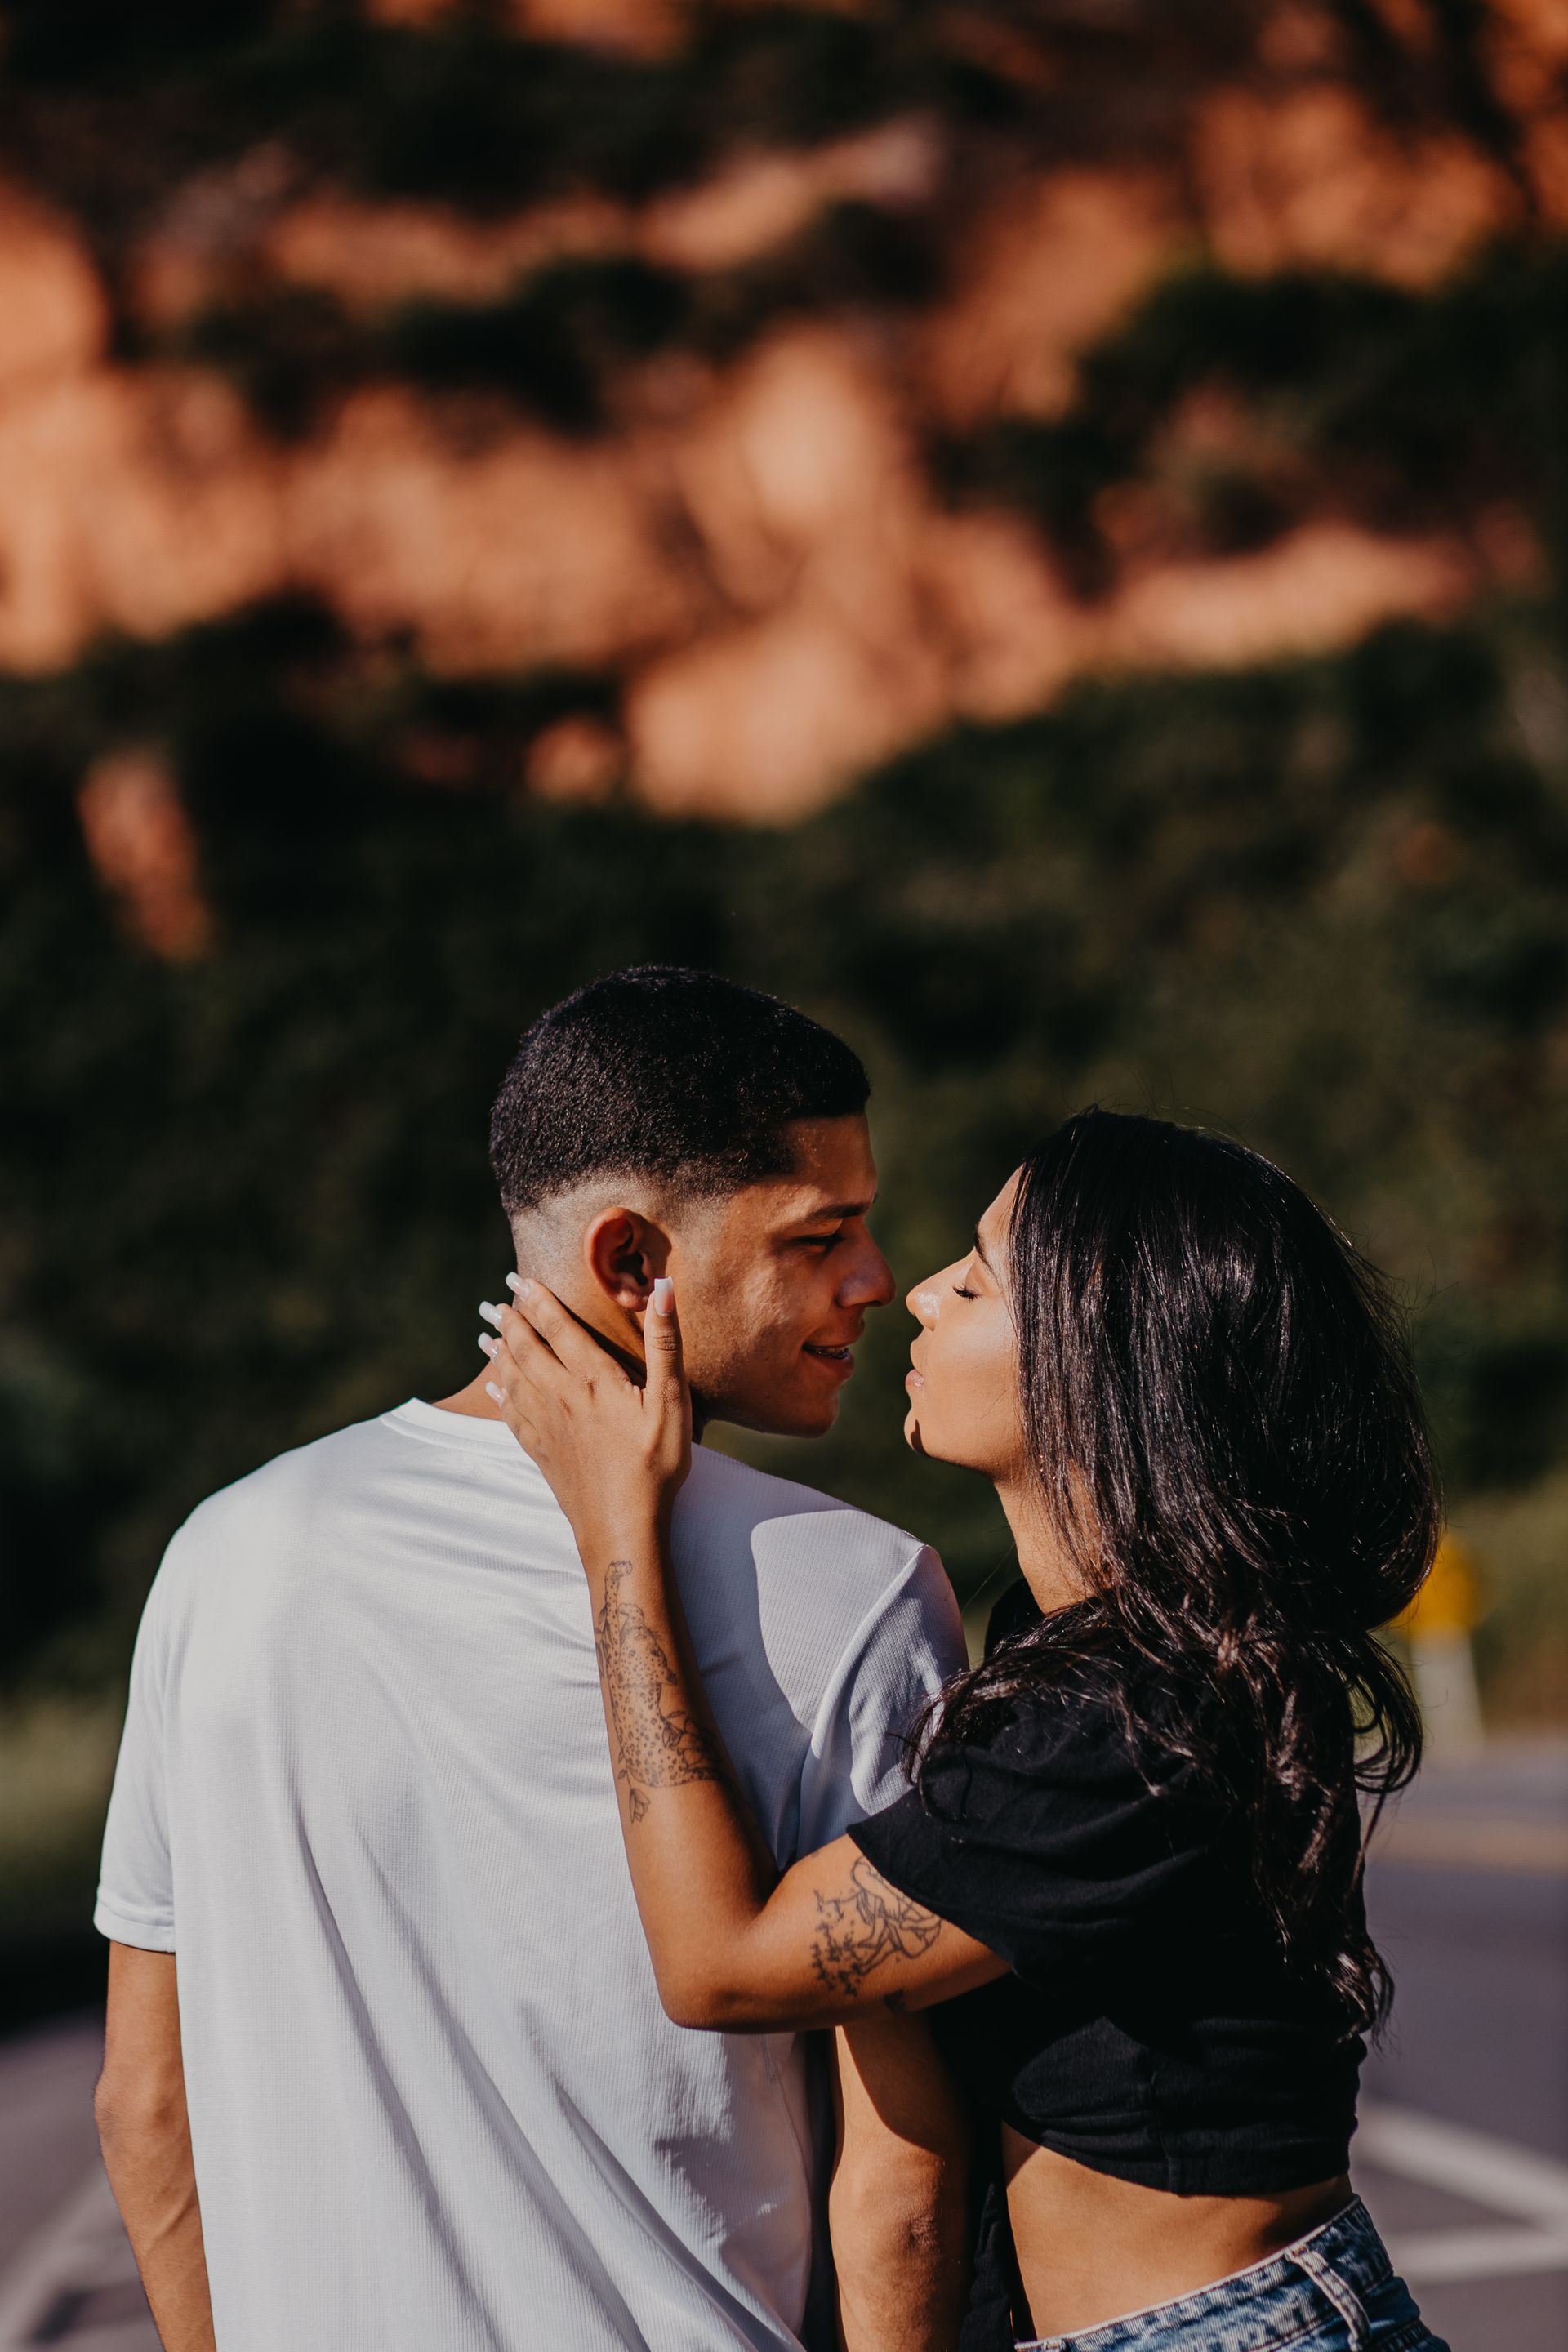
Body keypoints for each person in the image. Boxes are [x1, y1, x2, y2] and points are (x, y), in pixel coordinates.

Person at [92, 968, 972, 2352]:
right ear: (634, 1263)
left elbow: (148, 2104)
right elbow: (902, 2177)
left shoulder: (222, 1558)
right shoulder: (849, 1590)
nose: (876, 1279)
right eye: (824, 1234)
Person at [483, 1107, 1452, 2352]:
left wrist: (619, 1529)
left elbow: (722, 1964)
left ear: (1107, 1358)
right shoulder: (1126, 1670)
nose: (921, 1290)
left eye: (982, 1277)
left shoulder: (1133, 1721)